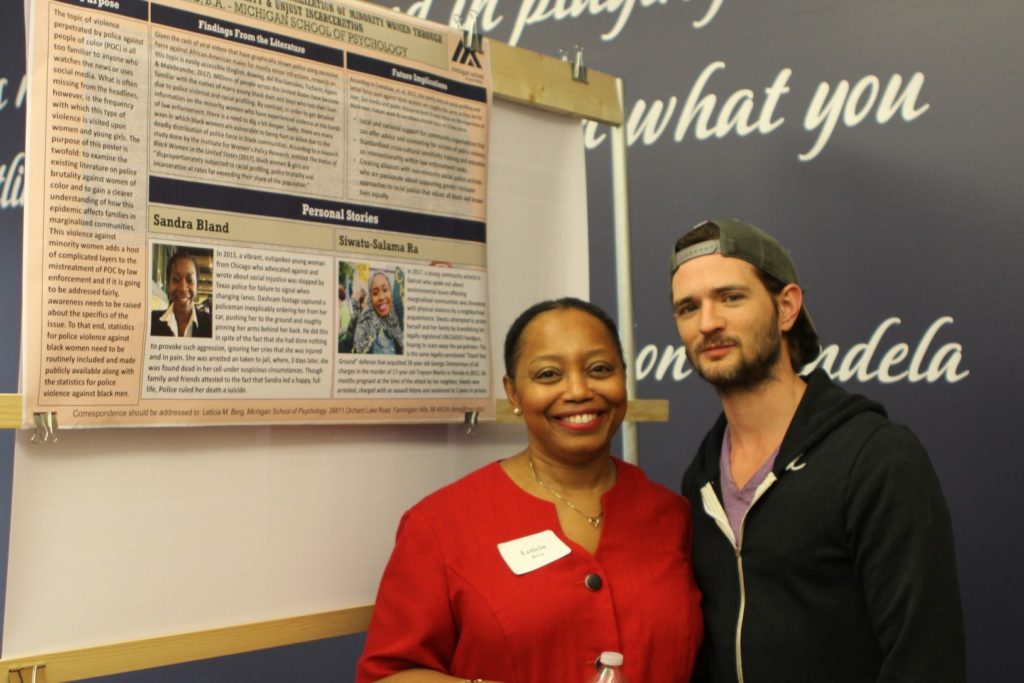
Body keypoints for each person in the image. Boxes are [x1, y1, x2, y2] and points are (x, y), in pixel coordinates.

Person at [670, 219, 965, 682]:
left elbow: (925, 660)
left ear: (786, 307)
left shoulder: (876, 457)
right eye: (688, 307)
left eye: (730, 297)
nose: (708, 323)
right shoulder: (701, 477)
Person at [357, 298, 702, 682]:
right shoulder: (441, 526)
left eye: (600, 369)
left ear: (623, 377)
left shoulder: (673, 516)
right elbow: (388, 674)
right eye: (549, 375)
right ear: (514, 393)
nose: (577, 390)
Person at [150, 250, 212, 338]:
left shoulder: (211, 325)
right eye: (176, 279)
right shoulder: (151, 321)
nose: (183, 288)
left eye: (190, 280)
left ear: (197, 286)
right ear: (168, 284)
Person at [353, 271, 403, 354]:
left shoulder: (397, 321)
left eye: (385, 290)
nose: (381, 297)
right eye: (375, 293)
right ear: (371, 298)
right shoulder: (365, 325)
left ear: (390, 292)